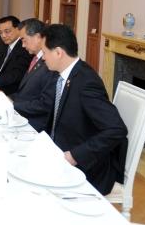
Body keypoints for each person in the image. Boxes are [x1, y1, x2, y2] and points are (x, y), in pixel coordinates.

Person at [41, 24, 128, 195]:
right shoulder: (65, 74)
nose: (43, 58)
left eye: (44, 52)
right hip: (60, 151)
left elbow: (117, 129)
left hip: (87, 167)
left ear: (58, 52)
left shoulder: (86, 82)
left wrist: (74, 156)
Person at [9, 18, 57, 132]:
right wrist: (7, 98)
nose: (22, 45)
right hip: (22, 115)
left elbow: (45, 104)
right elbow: (26, 92)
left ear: (38, 37)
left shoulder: (49, 63)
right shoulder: (36, 58)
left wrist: (13, 104)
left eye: (24, 40)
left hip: (34, 125)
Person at [0, 15, 32, 95]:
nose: (3, 35)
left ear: (18, 29)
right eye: (1, 32)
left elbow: (17, 73)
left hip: (9, 93)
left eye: (7, 31)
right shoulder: (5, 45)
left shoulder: (24, 48)